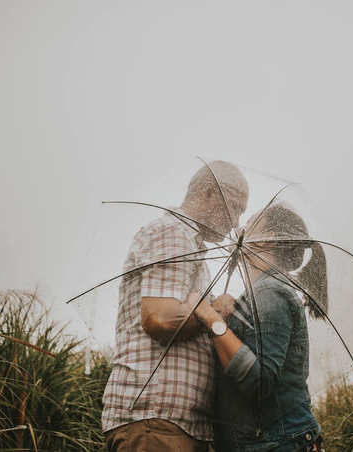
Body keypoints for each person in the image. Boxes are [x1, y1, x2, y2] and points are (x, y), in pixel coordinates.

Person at [102, 160, 249, 452]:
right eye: (234, 208)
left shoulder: (189, 244)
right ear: (208, 192)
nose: (235, 223)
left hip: (172, 423)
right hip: (156, 420)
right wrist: (215, 311)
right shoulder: (174, 233)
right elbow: (160, 319)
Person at [193, 202, 328, 452]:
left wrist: (211, 320)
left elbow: (259, 381)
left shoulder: (270, 293)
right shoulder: (261, 293)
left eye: (252, 222)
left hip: (278, 444)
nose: (241, 227)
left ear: (269, 240)